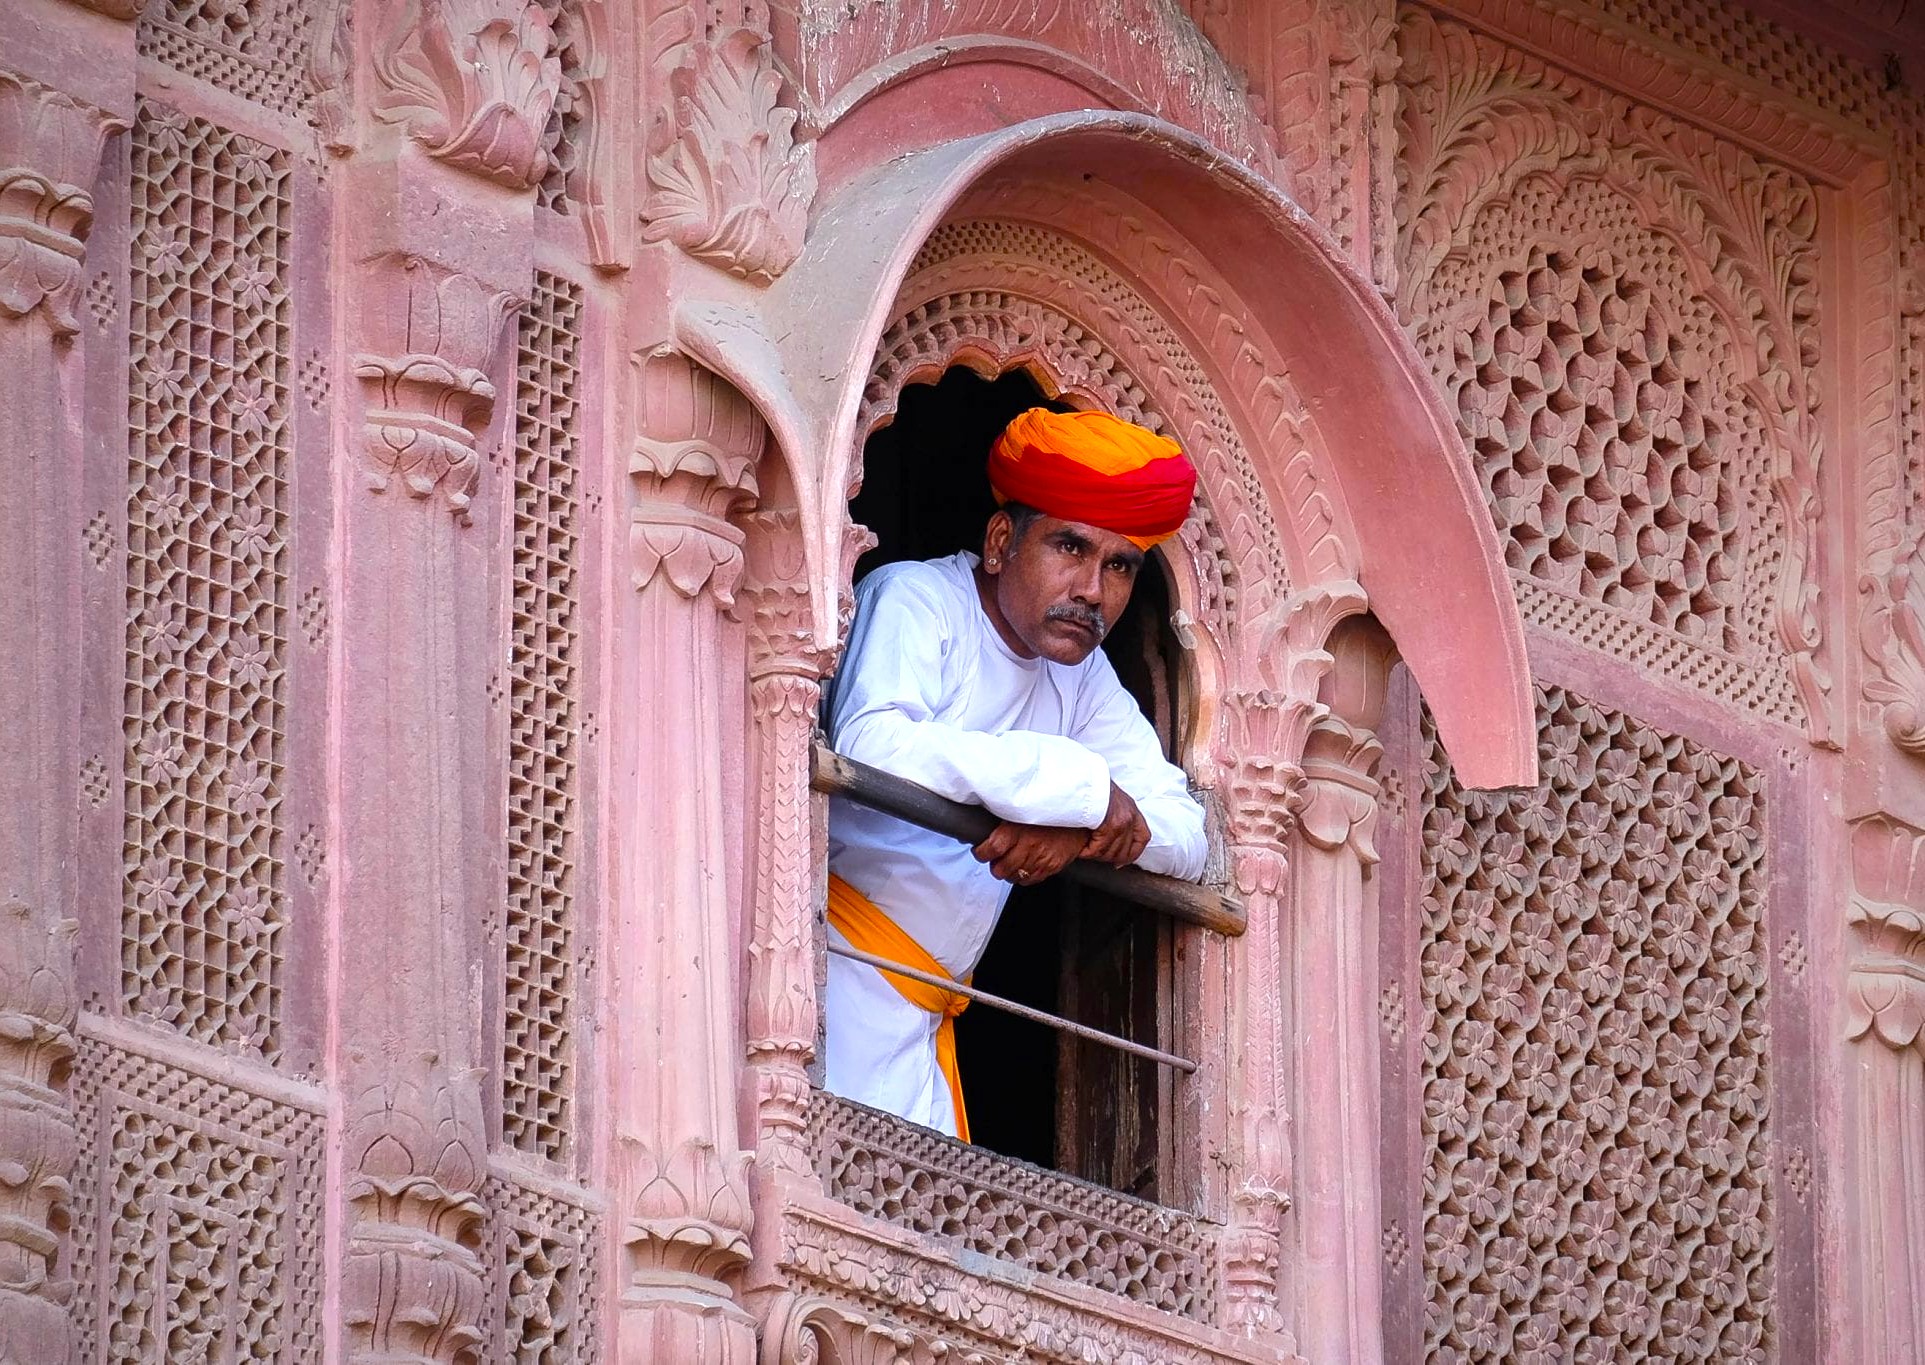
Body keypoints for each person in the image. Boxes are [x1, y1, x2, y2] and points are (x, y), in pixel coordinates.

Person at [821, 406, 1210, 1141]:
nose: (1093, 590)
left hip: (924, 1016)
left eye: (1119, 565)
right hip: (828, 983)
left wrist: (1072, 826)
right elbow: (871, 742)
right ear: (1001, 541)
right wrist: (1073, 788)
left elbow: (1186, 834)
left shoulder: (1085, 679)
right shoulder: (917, 599)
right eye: (1070, 546)